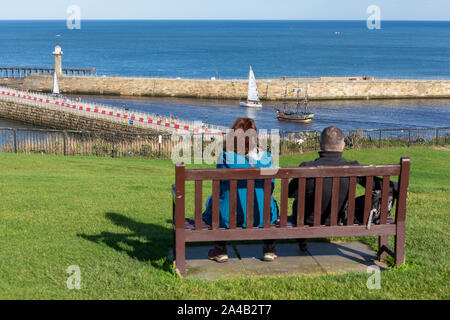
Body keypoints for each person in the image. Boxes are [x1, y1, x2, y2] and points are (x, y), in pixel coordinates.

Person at [288, 126, 398, 251]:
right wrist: (397, 186)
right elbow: (378, 184)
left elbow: (290, 193)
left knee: (299, 202)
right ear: (343, 145)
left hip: (307, 219)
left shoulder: (306, 167)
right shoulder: (353, 168)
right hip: (339, 218)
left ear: (320, 145)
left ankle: (301, 240)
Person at [202, 118, 280, 263]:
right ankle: (269, 248)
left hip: (230, 216)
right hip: (262, 216)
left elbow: (218, 187)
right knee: (269, 203)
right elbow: (271, 188)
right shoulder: (266, 158)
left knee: (215, 202)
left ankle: (220, 249)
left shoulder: (225, 157)